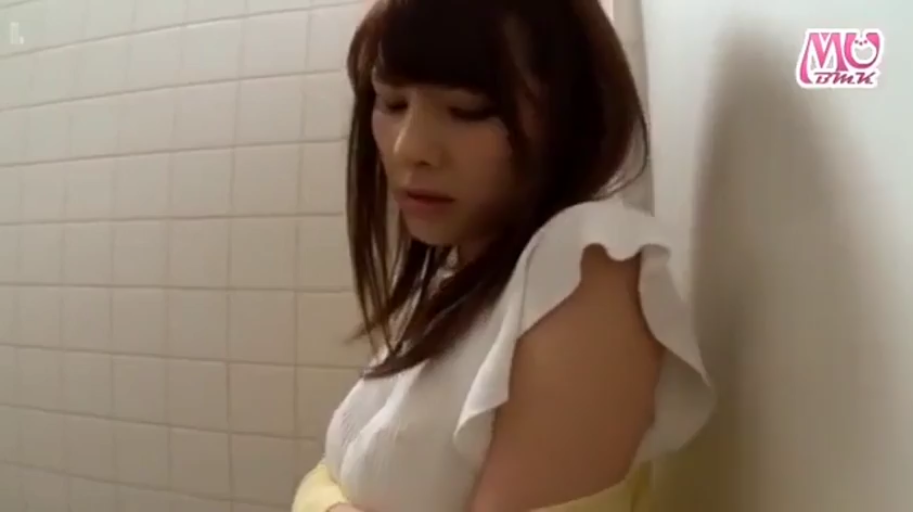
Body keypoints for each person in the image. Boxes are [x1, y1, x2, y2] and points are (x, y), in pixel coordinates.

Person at [293, 0, 713, 510]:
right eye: (392, 103)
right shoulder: (463, 286)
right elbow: (332, 471)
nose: (410, 148)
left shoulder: (586, 263)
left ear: (569, 115)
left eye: (467, 110)